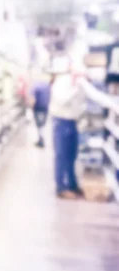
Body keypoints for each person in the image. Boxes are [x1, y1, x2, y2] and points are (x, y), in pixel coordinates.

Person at [49, 62, 86, 199]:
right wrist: (76, 87)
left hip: (72, 122)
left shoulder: (77, 82)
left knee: (72, 155)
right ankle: (61, 188)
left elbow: (81, 102)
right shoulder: (61, 83)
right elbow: (63, 100)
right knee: (61, 155)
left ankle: (72, 184)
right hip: (61, 121)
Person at [31, 73, 51, 147]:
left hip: (37, 108)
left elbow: (33, 100)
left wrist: (31, 108)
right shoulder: (47, 85)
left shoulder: (35, 86)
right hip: (45, 107)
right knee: (43, 124)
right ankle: (41, 139)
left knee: (39, 125)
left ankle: (41, 140)